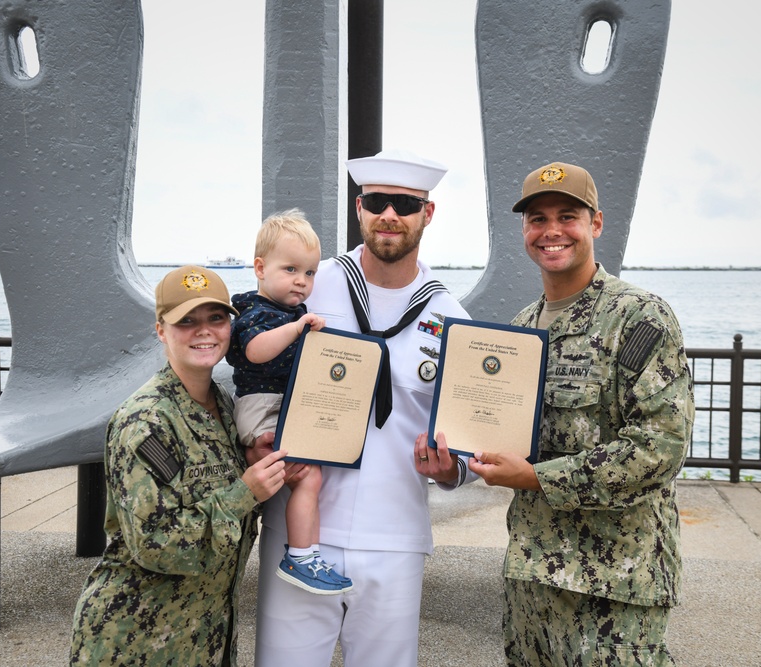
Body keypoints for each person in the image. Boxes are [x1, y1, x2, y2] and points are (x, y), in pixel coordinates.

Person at [457, 161, 695, 665]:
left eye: (568, 215)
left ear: (596, 223)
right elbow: (501, 436)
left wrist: (538, 478)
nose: (552, 231)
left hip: (615, 587)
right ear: (524, 230)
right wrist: (454, 461)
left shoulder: (638, 317)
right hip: (533, 577)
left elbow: (660, 448)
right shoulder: (522, 328)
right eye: (537, 218)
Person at [252, 149, 472, 667]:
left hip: (393, 534)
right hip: (298, 531)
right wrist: (252, 435)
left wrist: (453, 469)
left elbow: (470, 431)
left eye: (405, 204)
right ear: (359, 209)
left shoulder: (452, 318)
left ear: (428, 214)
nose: (389, 214)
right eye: (377, 201)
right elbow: (242, 353)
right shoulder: (307, 285)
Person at [70, 265, 290, 666]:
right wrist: (246, 492)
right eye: (185, 321)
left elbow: (226, 515)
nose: (203, 331)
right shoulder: (146, 422)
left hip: (204, 637)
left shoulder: (223, 405)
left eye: (216, 318)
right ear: (160, 331)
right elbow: (157, 544)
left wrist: (259, 467)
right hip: (136, 643)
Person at [227, 209, 353, 595]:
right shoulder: (254, 311)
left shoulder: (291, 311)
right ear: (260, 268)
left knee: (312, 475)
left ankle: (306, 554)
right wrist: (298, 328)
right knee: (308, 476)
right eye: (291, 270)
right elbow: (256, 351)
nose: (301, 281)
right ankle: (300, 556)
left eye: (310, 273)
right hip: (261, 405)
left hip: (282, 403)